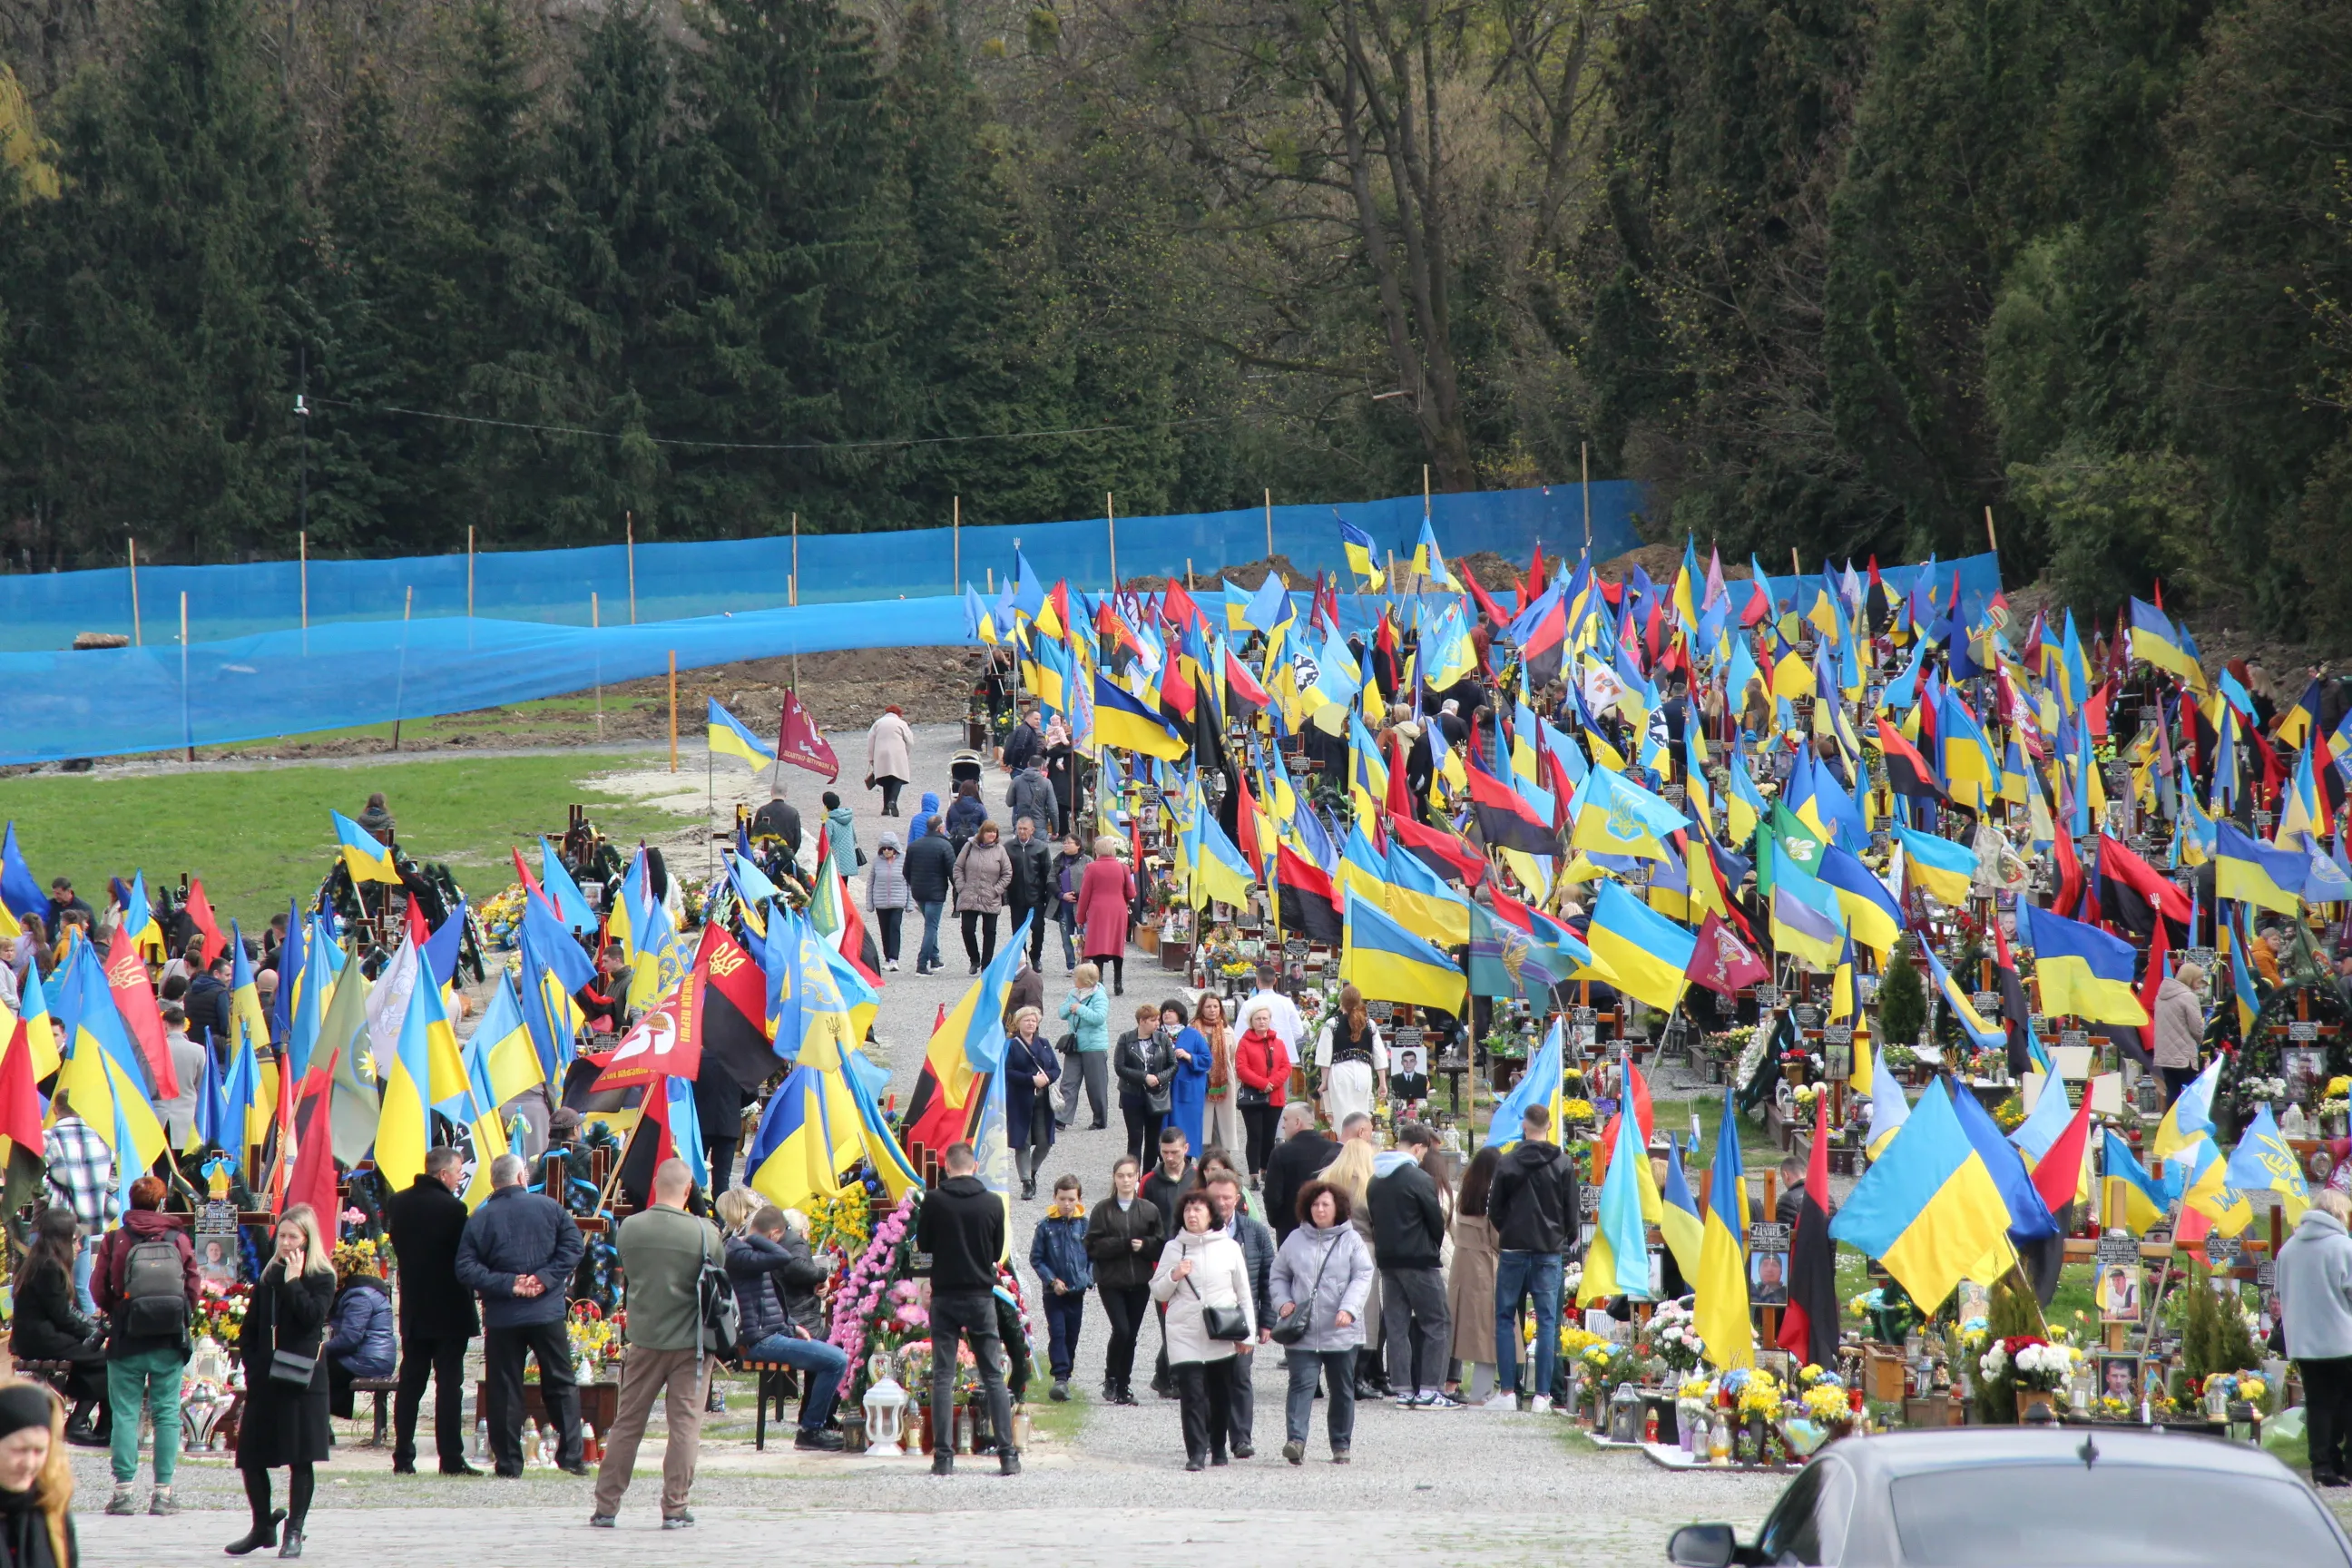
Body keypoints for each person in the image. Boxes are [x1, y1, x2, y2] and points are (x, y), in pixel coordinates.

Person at [591, 1158, 726, 1527]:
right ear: (688, 1191)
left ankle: (606, 1506)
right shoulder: (704, 1232)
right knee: (684, 1427)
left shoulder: (630, 1228)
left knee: (627, 1423)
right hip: (691, 1344)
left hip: (645, 1338)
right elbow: (719, 1272)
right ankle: (675, 1507)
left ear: (654, 1184)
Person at [456, 1152, 588, 1478]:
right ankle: (572, 1455)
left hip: (503, 1315)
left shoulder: (480, 1218)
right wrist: (543, 1278)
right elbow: (574, 1247)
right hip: (547, 1312)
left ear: (493, 1182)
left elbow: (466, 1267)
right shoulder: (550, 1208)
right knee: (560, 1381)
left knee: (504, 1388)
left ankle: (509, 1462)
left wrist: (508, 1284)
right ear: (521, 1178)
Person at [228, 1205, 334, 1559]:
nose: (286, 1243)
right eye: (282, 1236)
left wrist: (293, 1281)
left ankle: (295, 1531)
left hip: (303, 1379)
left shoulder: (321, 1276)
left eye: (293, 1237)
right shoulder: (269, 1275)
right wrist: (254, 1365)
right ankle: (262, 1525)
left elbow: (311, 1318)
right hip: (267, 1377)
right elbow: (251, 1328)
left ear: (307, 1239)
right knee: (251, 1455)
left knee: (300, 1458)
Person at [90, 1174, 197, 1517]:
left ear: (130, 1202)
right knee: (166, 1414)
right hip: (168, 1338)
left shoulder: (115, 1239)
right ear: (161, 1203)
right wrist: (181, 1313)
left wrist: (117, 1309)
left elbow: (98, 1287)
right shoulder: (177, 1239)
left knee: (124, 1412)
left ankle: (123, 1493)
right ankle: (163, 1494)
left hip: (126, 1336)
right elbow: (193, 1284)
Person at [913, 1143, 1020, 1475]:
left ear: (946, 1167)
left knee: (943, 1377)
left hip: (945, 1295)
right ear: (974, 1167)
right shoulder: (992, 1202)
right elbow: (997, 1249)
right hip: (980, 1296)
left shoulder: (933, 1200)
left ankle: (943, 1458)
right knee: (993, 1376)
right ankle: (1008, 1455)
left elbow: (924, 1245)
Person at [382, 1147, 479, 1475]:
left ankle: (403, 1457)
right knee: (449, 1385)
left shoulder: (399, 1202)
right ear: (443, 1175)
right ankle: (450, 1458)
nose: (460, 1178)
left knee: (411, 1382)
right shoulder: (454, 1208)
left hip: (414, 1305)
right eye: (458, 1173)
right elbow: (464, 1256)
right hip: (450, 1306)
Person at [1270, 1180, 1374, 1465]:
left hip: (1341, 1331)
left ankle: (1341, 1445)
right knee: (1301, 1385)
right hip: (1301, 1330)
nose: (1319, 1209)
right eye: (1315, 1204)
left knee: (1341, 1389)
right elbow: (1278, 1274)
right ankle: (1296, 1441)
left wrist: (1349, 1309)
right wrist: (1283, 1302)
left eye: (1325, 1204)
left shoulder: (1352, 1240)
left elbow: (1363, 1275)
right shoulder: (1294, 1239)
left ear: (1337, 1207)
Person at [726, 1207, 848, 1450]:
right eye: (779, 1237)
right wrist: (755, 1236)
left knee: (831, 1352)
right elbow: (783, 1257)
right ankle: (811, 1430)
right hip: (760, 1340)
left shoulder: (751, 1252)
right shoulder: (740, 1250)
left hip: (772, 1332)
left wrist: (792, 1325)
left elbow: (772, 1300)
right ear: (773, 1234)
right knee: (837, 1360)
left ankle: (814, 1425)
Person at [1151, 1189, 1255, 1470]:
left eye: (1198, 1210)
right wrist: (1174, 1274)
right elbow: (1158, 1291)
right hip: (1183, 1332)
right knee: (1192, 1393)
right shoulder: (1174, 1248)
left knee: (1221, 1394)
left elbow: (1243, 1293)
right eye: (1187, 1210)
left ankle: (1219, 1446)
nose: (1192, 1215)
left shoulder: (1229, 1247)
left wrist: (1248, 1335)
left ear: (1211, 1215)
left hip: (1220, 1331)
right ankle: (1196, 1451)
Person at [1486, 1103, 1577, 1413]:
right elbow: (1571, 1213)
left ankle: (1509, 1391)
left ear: (1524, 1126)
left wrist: (1508, 1231)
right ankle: (1542, 1396)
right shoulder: (1563, 1163)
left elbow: (1494, 1208)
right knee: (1548, 1320)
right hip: (1547, 1250)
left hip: (1513, 1248)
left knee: (1505, 1318)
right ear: (1549, 1125)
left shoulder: (1507, 1162)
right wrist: (1558, 1237)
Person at [1368, 1123, 1454, 1408]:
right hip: (1419, 1260)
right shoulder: (1418, 1178)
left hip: (1388, 1260)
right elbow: (1435, 1221)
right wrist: (1431, 1247)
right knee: (1436, 1322)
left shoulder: (1376, 1179)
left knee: (1396, 1325)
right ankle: (1430, 1389)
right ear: (1418, 1148)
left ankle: (1403, 1389)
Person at [9, 1213, 105, 1448]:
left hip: (36, 1335)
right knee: (105, 1360)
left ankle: (94, 1423)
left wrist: (92, 1329)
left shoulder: (39, 1261)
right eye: (75, 1239)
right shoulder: (49, 1267)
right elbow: (62, 1315)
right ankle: (77, 1423)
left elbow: (64, 1313)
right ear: (62, 1239)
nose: (78, 1245)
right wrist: (93, 1333)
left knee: (94, 1355)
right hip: (40, 1338)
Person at [2279, 1189, 2352, 1485]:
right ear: (2340, 1213)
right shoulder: (2344, 1248)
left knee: (2318, 1404)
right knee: (2349, 1403)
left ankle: (2322, 1465)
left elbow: (2280, 1294)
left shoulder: (2288, 1250)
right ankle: (2348, 1464)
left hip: (2304, 1342)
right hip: (2343, 1339)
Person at [1203, 1170, 1273, 1458]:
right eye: (1215, 1197)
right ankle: (1209, 1435)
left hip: (1244, 1316)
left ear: (1238, 1198)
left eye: (1227, 1197)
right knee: (1209, 1379)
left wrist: (1267, 1320)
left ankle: (1241, 1438)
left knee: (1241, 1377)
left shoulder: (1255, 1232)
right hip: (1208, 1318)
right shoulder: (1196, 1231)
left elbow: (1269, 1276)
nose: (1221, 1203)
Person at [1085, 1157, 1164, 1406]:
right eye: (1121, 1175)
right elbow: (1092, 1245)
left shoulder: (1149, 1210)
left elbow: (1160, 1244)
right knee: (1121, 1329)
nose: (1126, 1180)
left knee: (1131, 1334)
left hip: (1139, 1281)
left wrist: (1146, 1246)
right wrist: (1123, 1244)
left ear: (1137, 1177)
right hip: (1112, 1281)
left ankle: (1124, 1385)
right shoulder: (1102, 1210)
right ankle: (1111, 1377)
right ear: (1114, 1178)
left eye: (1130, 1175)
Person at [42, 1095, 114, 1316]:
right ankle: (92, 1337)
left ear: (55, 1110)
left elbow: (38, 1180)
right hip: (89, 1221)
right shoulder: (102, 1138)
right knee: (82, 1285)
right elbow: (115, 1177)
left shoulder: (48, 1137)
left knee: (47, 1282)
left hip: (58, 1219)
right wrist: (101, 1196)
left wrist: (56, 1198)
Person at [1028, 1175, 1093, 1402]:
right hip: (1053, 1293)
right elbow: (1036, 1258)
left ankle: (1066, 1373)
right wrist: (1052, 1280)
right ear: (1055, 1197)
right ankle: (1060, 1377)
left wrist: (1087, 1278)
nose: (1067, 1204)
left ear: (1079, 1199)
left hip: (1076, 1291)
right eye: (1062, 1198)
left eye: (1071, 1199)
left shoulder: (1085, 1226)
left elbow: (1094, 1256)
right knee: (1058, 1332)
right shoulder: (1045, 1226)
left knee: (1072, 1335)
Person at [1446, 1146, 1503, 1403]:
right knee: (1485, 1332)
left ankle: (1445, 1383)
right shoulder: (1492, 1197)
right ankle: (1481, 1391)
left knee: (1457, 1327)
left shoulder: (1464, 1194)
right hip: (1484, 1265)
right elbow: (1497, 1238)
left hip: (1461, 1263)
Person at [323, 1251, 395, 1426]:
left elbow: (350, 1339)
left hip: (369, 1359)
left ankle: (322, 1428)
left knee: (315, 1368)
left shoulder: (359, 1296)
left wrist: (321, 1348)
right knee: (322, 1364)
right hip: (374, 1357)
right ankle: (324, 1427)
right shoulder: (368, 1290)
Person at [1004, 1006, 1062, 1200]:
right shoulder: (1011, 1046)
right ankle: (1026, 1182)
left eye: (1034, 1020)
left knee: (1045, 1141)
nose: (1031, 1023)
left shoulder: (1044, 1044)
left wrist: (1047, 1078)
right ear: (1019, 1023)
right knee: (1023, 1142)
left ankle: (1032, 1170)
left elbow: (1056, 1068)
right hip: (1020, 1100)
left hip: (1043, 1101)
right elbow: (1008, 1072)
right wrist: (1031, 1079)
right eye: (1027, 1020)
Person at [1263, 1104, 1339, 1244]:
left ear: (1298, 1122)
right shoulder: (1333, 1150)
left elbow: (1272, 1196)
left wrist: (1276, 1222)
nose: (1283, 1126)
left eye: (1286, 1120)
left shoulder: (1281, 1153)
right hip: (1326, 1230)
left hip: (1290, 1231)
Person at [1232, 1003, 1291, 1181]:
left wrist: (1271, 1084)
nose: (1262, 1021)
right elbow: (1242, 1068)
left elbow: (1286, 1066)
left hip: (1274, 1096)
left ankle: (1266, 1168)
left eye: (1265, 1018)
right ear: (1252, 1022)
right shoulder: (1244, 1043)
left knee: (1270, 1135)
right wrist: (1262, 1083)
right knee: (1255, 1135)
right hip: (1253, 1097)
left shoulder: (1279, 1043)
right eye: (1258, 1019)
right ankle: (1253, 1173)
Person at [1314, 986, 1387, 1128]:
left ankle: (1345, 1144)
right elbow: (1379, 1055)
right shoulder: (1370, 1025)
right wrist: (1382, 1082)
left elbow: (1324, 1057)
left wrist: (1323, 1082)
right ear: (1360, 1003)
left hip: (1340, 1072)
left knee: (1342, 1117)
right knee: (1362, 1114)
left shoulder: (1332, 1024)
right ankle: (1360, 1144)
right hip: (1364, 1072)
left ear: (1341, 1003)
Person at [1113, 1003, 1175, 1161]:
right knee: (1135, 1138)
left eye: (1158, 1020)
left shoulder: (1162, 1039)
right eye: (1153, 1020)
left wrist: (1159, 1078)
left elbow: (1173, 1064)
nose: (1158, 1024)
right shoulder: (1125, 1039)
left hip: (1157, 1094)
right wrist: (1143, 1077)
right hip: (1132, 1094)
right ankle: (1134, 1178)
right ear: (1142, 1021)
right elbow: (1119, 1067)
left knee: (1153, 1138)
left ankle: (1148, 1177)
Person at [1074, 838, 1135, 995]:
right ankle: (1118, 982)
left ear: (1097, 851)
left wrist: (1080, 917)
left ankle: (1098, 981)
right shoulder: (1123, 868)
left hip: (1098, 911)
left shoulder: (1091, 868)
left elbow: (1085, 895)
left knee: (1098, 946)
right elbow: (1132, 893)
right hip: (1118, 910)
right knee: (1117, 946)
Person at [1054, 965, 1112, 1131]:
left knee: (1096, 1084)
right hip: (1075, 1044)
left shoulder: (1099, 996)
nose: (1074, 980)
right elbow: (1061, 1012)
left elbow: (1099, 1018)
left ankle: (1099, 1119)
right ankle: (1061, 1118)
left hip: (1094, 1045)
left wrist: (1080, 1009)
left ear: (1085, 980)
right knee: (1068, 1081)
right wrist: (1070, 1008)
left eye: (1077, 977)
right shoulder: (1073, 994)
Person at [952, 820, 1012, 974]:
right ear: (982, 833)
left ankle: (986, 965)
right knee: (967, 929)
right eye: (989, 831)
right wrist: (961, 887)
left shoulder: (1000, 850)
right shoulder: (969, 846)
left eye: (994, 832)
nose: (992, 834)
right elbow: (958, 867)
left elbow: (1007, 873)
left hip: (990, 896)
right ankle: (974, 959)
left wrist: (996, 890)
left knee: (989, 931)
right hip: (969, 895)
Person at [903, 813, 956, 976]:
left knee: (930, 924)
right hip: (936, 892)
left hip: (918, 892)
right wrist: (957, 889)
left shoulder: (914, 845)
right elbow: (952, 871)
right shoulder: (945, 846)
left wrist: (914, 884)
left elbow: (906, 871)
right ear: (941, 828)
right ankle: (921, 963)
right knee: (931, 927)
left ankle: (934, 958)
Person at [1004, 816, 1054, 972]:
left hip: (1036, 896)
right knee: (1018, 931)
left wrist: (1047, 895)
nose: (1022, 832)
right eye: (1019, 828)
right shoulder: (1008, 847)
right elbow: (1005, 871)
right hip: (1016, 896)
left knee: (1038, 929)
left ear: (1032, 830)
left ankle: (1036, 955)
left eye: (1025, 829)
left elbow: (1048, 872)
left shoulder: (1041, 847)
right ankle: (1022, 959)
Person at [152, 1005, 207, 1149]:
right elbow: (201, 1083)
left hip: (159, 1113)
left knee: (161, 1166)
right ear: (184, 1025)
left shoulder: (154, 1050)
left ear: (164, 1025)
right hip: (187, 1114)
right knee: (186, 1166)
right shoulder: (198, 1050)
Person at [1195, 995, 1241, 1160]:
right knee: (1204, 1125)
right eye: (1208, 1007)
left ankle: (1223, 1161)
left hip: (1223, 1082)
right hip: (1201, 1081)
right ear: (1201, 1008)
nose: (1212, 1010)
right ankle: (1203, 1162)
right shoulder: (1193, 1029)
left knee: (1223, 1126)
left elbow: (1232, 1055)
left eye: (1215, 1006)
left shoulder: (1227, 1030)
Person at [2154, 963, 2207, 1104]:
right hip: (2183, 1055)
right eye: (2198, 980)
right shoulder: (2188, 997)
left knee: (2172, 1091)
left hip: (2164, 1053)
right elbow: (2197, 1029)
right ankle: (2189, 1124)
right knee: (2192, 1092)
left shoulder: (2161, 996)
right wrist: (2202, 1040)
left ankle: (2169, 1124)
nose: (2199, 985)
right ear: (2190, 979)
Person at [1162, 1000, 1209, 1155]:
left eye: (1171, 1011)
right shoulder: (1158, 1034)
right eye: (1164, 1011)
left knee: (1186, 1127)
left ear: (1180, 1014)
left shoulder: (1192, 1034)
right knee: (1163, 1126)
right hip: (1163, 1089)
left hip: (1186, 1089)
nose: (1166, 1014)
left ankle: (1186, 1161)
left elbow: (1207, 1059)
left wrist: (1189, 1057)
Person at [1234, 965, 1305, 1066]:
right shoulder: (1287, 1003)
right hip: (1284, 1057)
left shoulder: (1249, 1004)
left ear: (1257, 981)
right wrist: (1283, 1039)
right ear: (1275, 981)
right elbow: (1299, 1032)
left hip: (1257, 1058)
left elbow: (1239, 1035)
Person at [867, 832, 912, 973]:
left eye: (889, 848)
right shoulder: (876, 861)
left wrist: (910, 903)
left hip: (898, 901)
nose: (886, 851)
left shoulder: (904, 860)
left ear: (895, 849)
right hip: (881, 902)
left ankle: (894, 958)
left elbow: (910, 882)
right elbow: (870, 882)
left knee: (894, 928)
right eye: (884, 848)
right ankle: (887, 957)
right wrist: (869, 903)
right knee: (884, 930)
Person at [866, 705, 914, 817]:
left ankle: (885, 808)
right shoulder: (901, 723)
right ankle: (893, 801)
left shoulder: (878, 723)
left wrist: (871, 757)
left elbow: (870, 740)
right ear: (899, 713)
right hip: (897, 753)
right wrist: (905, 752)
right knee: (898, 778)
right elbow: (910, 741)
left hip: (880, 753)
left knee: (886, 779)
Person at [1052, 833, 1089, 972]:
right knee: (1066, 935)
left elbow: (1091, 882)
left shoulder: (1087, 861)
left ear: (1078, 845)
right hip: (1064, 904)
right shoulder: (1059, 860)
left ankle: (1082, 964)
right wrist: (1061, 894)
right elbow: (1051, 879)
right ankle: (1071, 965)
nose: (1065, 845)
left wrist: (1080, 895)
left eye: (1069, 843)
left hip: (1080, 905)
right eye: (1064, 843)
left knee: (1081, 934)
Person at [750, 786, 802, 867]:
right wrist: (791, 853)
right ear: (786, 794)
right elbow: (797, 839)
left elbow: (754, 834)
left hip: (766, 857)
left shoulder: (762, 810)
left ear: (771, 793)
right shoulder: (793, 812)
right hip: (786, 856)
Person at [820, 791, 859, 877]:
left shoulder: (829, 821)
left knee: (837, 886)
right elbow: (854, 837)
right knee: (845, 884)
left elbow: (826, 841)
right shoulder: (848, 818)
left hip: (836, 858)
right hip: (849, 856)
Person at [944, 779, 988, 850]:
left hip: (956, 842)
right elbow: (986, 826)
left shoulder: (953, 807)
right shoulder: (979, 807)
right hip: (974, 843)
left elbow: (948, 826)